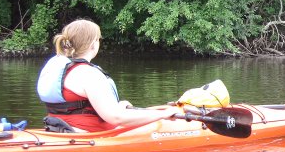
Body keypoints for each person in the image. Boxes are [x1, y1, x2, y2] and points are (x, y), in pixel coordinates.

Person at [37, 19, 181, 132]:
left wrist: (117, 107)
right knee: (159, 123)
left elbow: (80, 107)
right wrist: (163, 114)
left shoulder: (57, 67)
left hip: (58, 130)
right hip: (88, 136)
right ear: (93, 44)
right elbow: (115, 118)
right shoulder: (89, 74)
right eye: (98, 39)